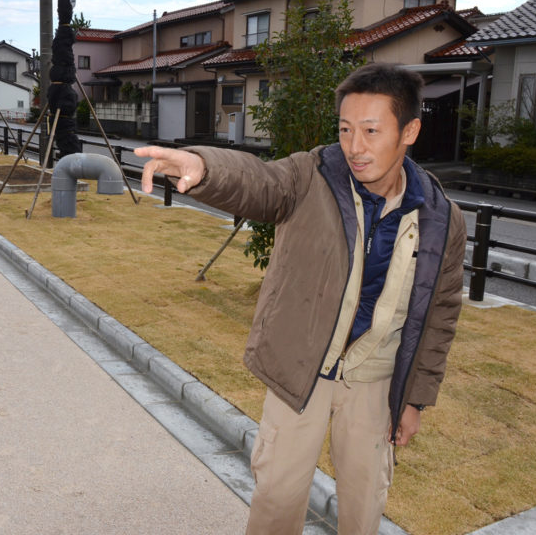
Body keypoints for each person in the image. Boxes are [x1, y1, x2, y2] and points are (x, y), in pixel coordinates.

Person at [135, 62, 466, 535]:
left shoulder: (441, 217)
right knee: (277, 497)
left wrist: (415, 399)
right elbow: (258, 182)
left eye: (372, 131)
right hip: (301, 370)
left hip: (376, 380)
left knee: (364, 503)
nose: (355, 146)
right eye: (346, 129)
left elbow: (440, 317)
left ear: (409, 130)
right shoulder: (313, 176)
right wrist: (204, 167)